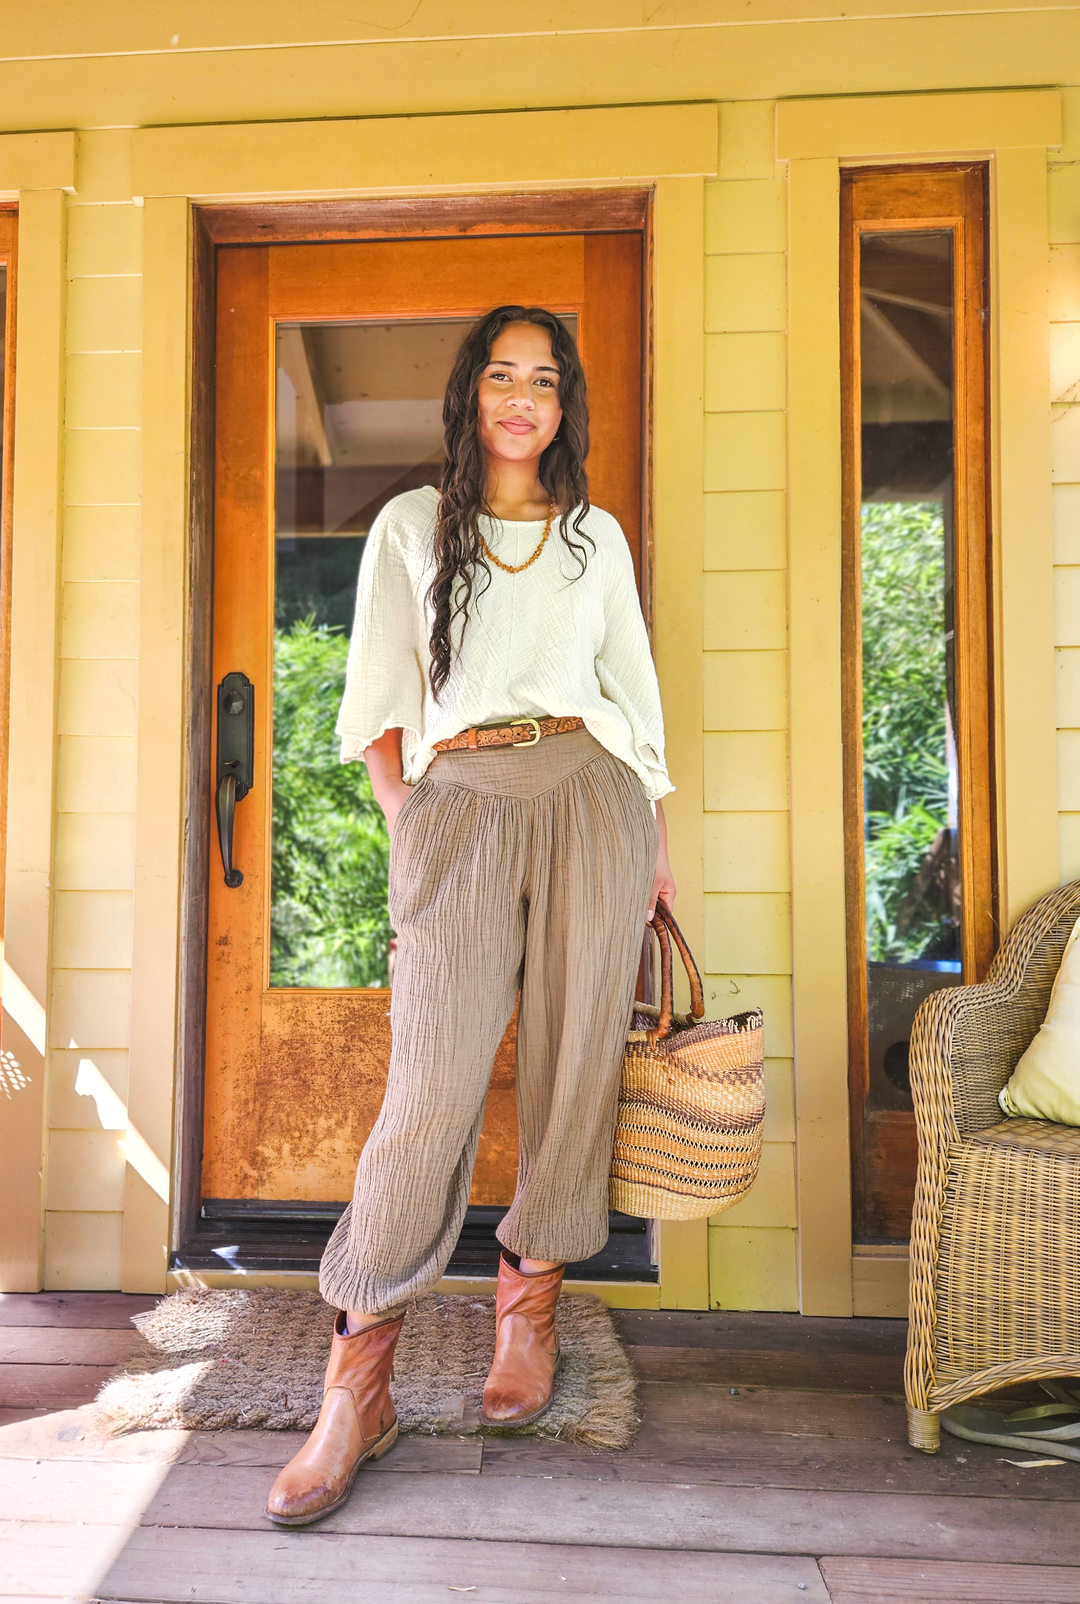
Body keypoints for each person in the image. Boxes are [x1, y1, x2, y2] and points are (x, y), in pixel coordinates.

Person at [266, 304, 674, 1526]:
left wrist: (658, 852)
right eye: (501, 374)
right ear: (471, 394)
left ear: (565, 405)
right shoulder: (407, 525)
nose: (521, 396)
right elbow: (379, 696)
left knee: (570, 1070)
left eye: (543, 378)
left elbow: (634, 701)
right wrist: (410, 814)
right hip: (462, 800)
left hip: (594, 799)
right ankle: (358, 1381)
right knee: (428, 1088)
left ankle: (528, 1301)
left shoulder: (596, 539)